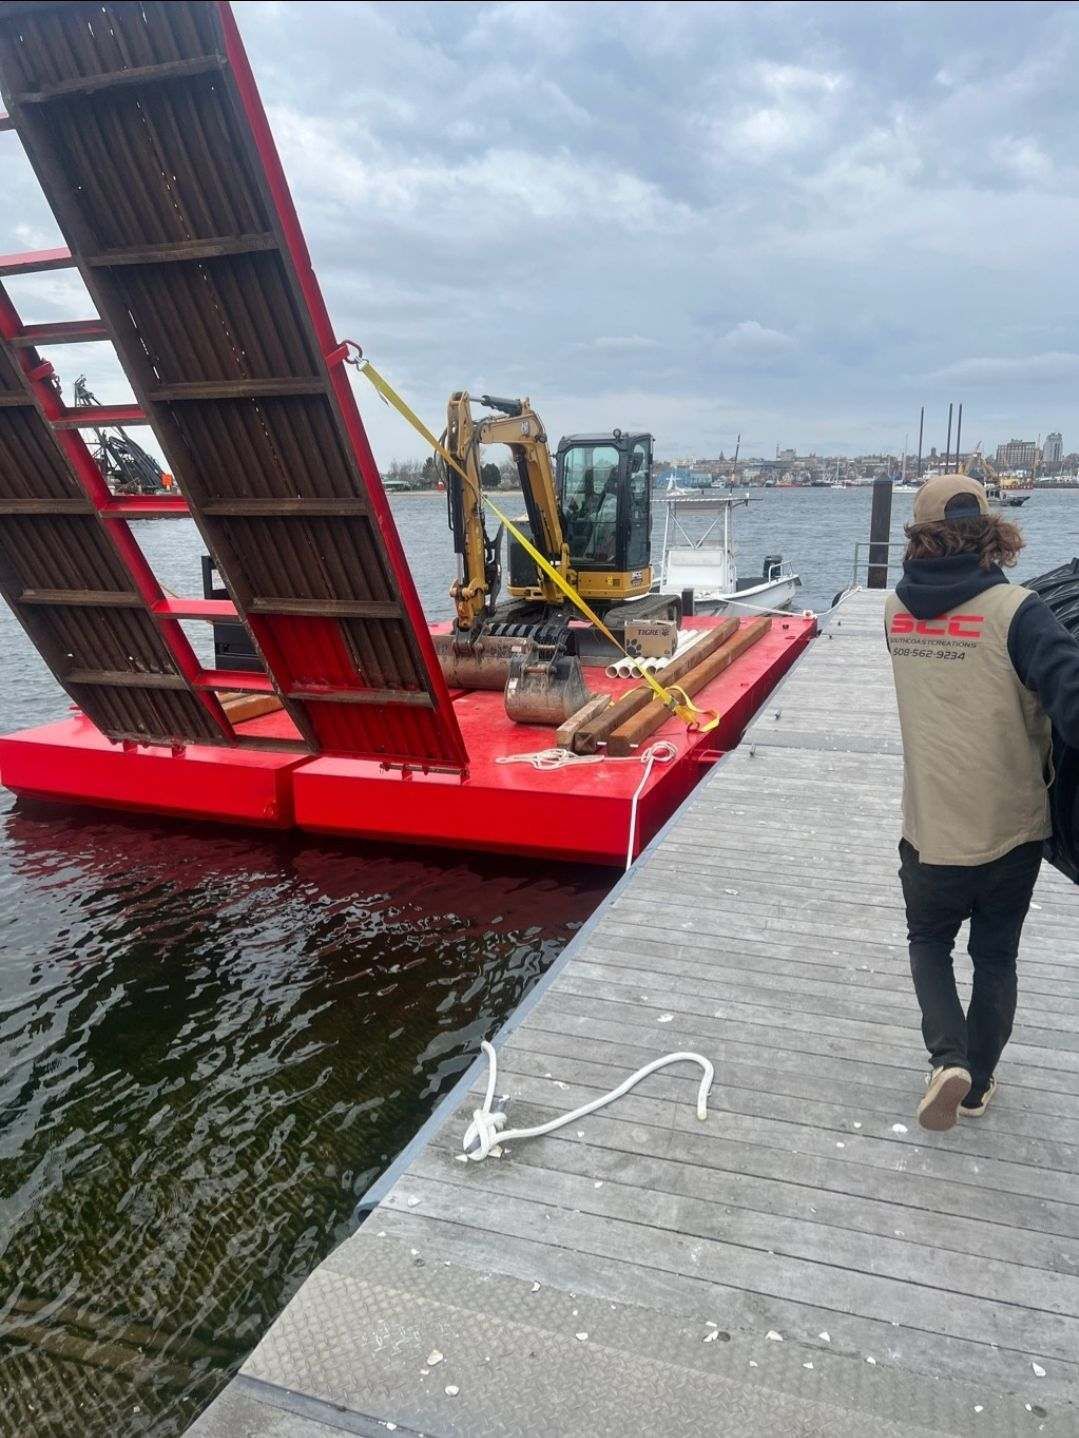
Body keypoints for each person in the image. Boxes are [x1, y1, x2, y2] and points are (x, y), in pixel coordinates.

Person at [885, 474, 1079, 1131]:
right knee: (994, 957)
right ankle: (977, 1083)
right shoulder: (1019, 613)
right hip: (1009, 833)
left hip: (930, 830)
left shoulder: (894, 612)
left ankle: (947, 1058)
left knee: (928, 942)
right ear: (991, 532)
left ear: (918, 536)